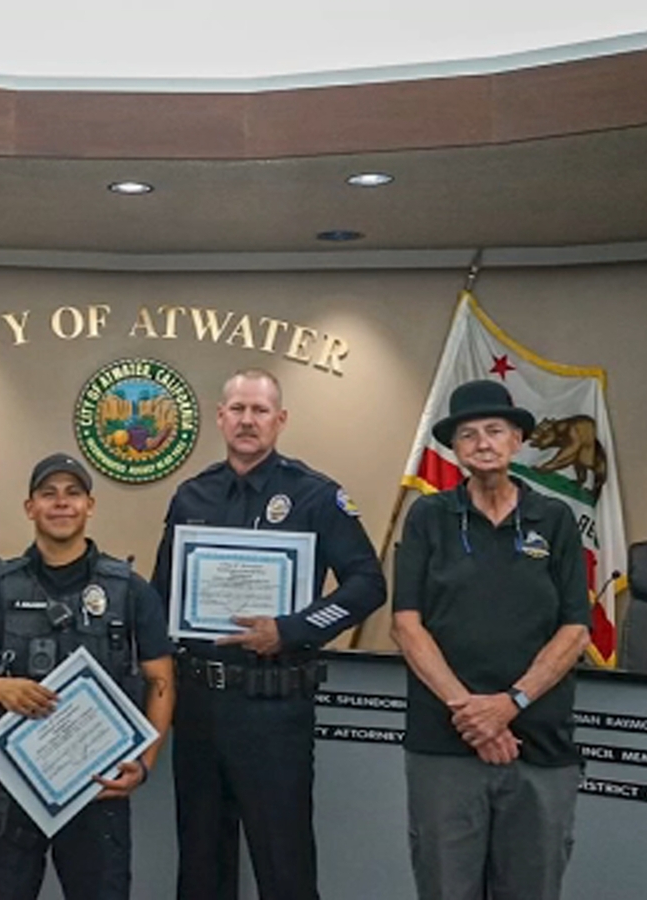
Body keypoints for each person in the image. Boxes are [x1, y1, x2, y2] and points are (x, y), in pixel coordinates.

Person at [150, 367, 387, 900]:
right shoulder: (192, 496)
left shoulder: (316, 496)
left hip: (273, 706)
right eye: (238, 409)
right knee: (201, 868)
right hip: (200, 706)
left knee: (284, 869)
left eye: (259, 411)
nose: (247, 421)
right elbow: (162, 596)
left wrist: (293, 629)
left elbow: (368, 584)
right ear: (220, 417)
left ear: (280, 420)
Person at [0, 453, 176, 900]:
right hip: (11, 792)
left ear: (90, 505)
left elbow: (161, 679)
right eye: (48, 494)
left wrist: (145, 764)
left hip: (97, 791)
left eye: (73, 494)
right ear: (30, 508)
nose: (61, 504)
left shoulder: (129, 590)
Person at [389, 379, 591, 900]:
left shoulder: (557, 519)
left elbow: (574, 630)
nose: (482, 442)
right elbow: (406, 625)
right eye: (468, 434)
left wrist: (510, 703)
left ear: (517, 440)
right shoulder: (429, 518)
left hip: (539, 746)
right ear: (454, 449)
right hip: (445, 745)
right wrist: (474, 715)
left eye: (494, 431)